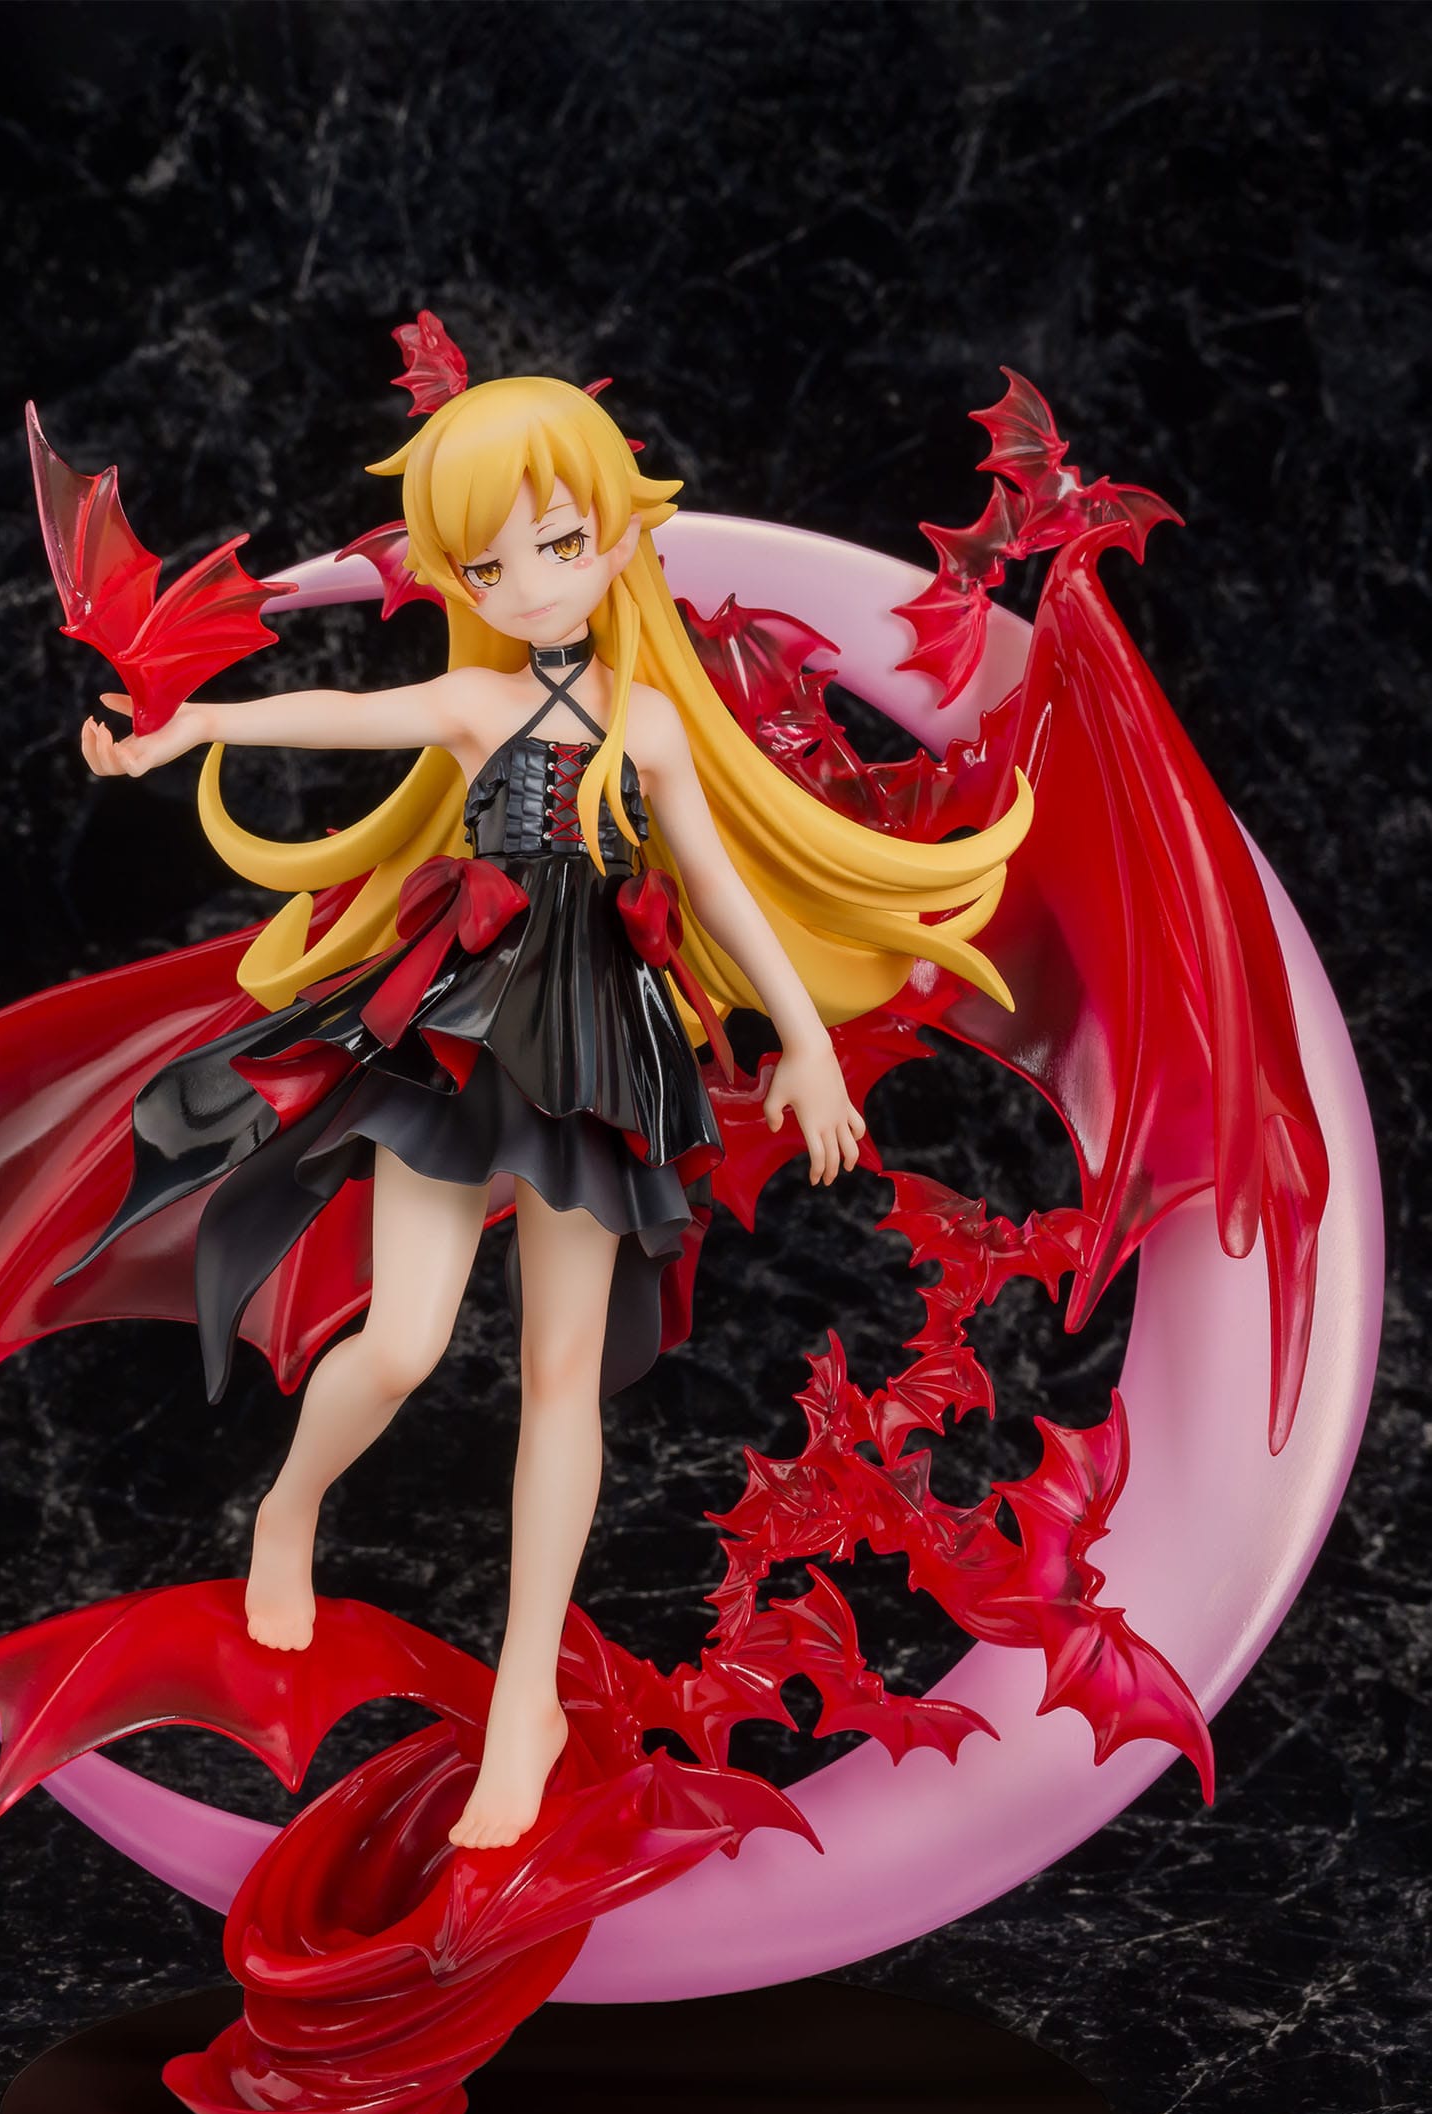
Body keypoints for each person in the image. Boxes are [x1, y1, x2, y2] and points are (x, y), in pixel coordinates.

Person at [75, 373, 1031, 1850]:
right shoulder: (473, 703)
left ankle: (524, 1698)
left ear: (618, 536)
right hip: (465, 1025)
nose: (527, 584)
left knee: (561, 1378)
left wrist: (805, 1040)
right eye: (486, 565)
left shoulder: (653, 728)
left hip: (598, 1044)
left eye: (560, 542)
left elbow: (715, 884)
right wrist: (179, 725)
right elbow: (341, 711)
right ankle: (290, 1506)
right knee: (404, 1341)